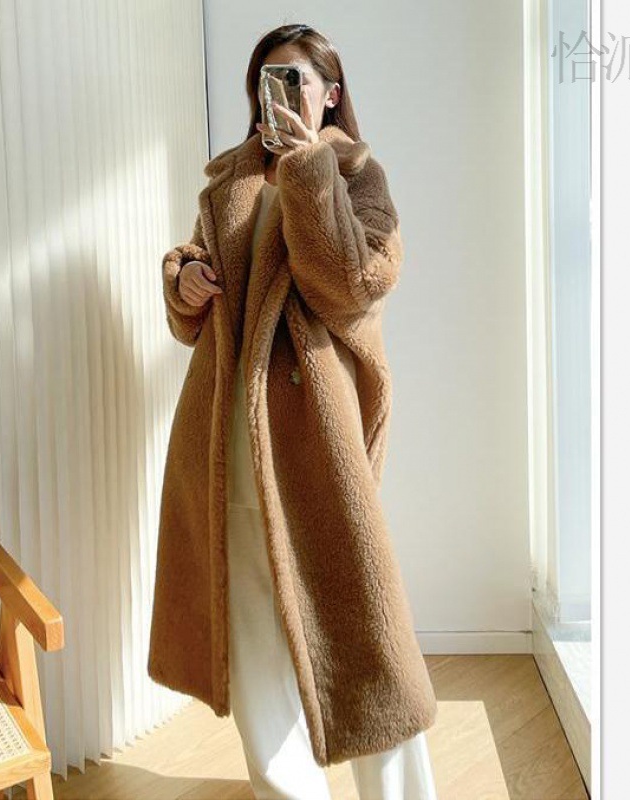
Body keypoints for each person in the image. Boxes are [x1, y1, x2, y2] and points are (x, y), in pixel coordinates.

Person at [148, 22, 439, 800]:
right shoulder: (230, 181)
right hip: (226, 442)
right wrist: (184, 281)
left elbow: (349, 285)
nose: (275, 94)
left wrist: (310, 167)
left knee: (371, 640)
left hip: (315, 442)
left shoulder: (359, 176)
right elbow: (197, 295)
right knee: (255, 650)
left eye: (294, 79)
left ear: (330, 93)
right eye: (264, 81)